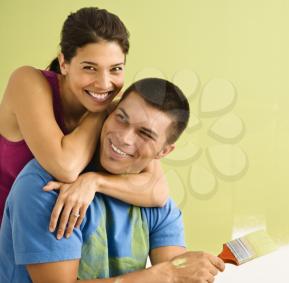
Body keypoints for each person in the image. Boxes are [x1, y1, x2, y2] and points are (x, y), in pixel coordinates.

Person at [0, 78, 225, 283]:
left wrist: (189, 271)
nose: (124, 138)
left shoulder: (157, 203)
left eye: (145, 134)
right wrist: (163, 275)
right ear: (108, 112)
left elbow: (175, 270)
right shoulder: (47, 187)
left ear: (164, 151)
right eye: (121, 118)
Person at [0, 7, 169, 233]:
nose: (104, 83)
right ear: (64, 63)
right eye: (90, 68)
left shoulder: (118, 113)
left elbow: (157, 190)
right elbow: (65, 167)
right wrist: (103, 109)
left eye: (116, 69)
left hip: (54, 241)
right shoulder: (27, 81)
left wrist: (94, 182)